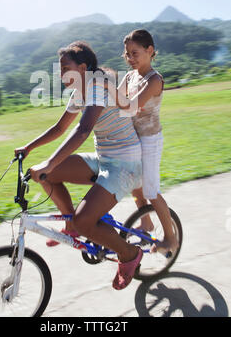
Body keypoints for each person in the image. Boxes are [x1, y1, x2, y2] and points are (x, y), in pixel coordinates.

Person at [15, 41, 143, 290]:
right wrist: (29, 148)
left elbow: (83, 130)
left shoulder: (97, 86)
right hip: (103, 159)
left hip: (125, 165)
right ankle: (71, 225)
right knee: (46, 176)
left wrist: (50, 163)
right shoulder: (80, 91)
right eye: (59, 69)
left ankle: (129, 255)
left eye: (65, 68)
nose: (61, 74)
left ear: (83, 67)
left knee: (86, 220)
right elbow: (60, 128)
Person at [106, 29, 178, 255]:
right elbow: (114, 102)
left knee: (151, 189)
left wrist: (109, 90)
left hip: (150, 140)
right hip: (133, 139)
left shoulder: (154, 80)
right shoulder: (130, 77)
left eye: (135, 53)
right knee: (137, 187)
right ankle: (146, 224)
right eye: (127, 54)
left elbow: (129, 106)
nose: (130, 58)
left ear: (150, 51)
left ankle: (171, 238)